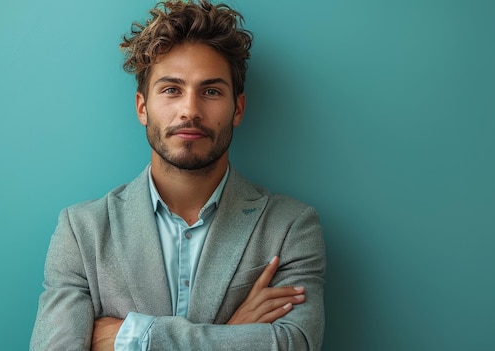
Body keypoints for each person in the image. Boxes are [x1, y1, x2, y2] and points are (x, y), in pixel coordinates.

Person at [29, 1, 326, 350]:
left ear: (238, 108)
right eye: (171, 89)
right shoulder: (82, 232)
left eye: (211, 91)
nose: (190, 110)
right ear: (143, 107)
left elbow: (293, 345)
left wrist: (132, 337)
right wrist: (235, 330)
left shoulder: (290, 228)